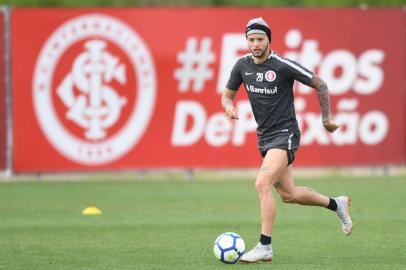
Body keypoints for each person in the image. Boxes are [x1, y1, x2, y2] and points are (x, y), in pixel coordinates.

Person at [221, 17, 353, 263]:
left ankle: (265, 246)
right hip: (266, 137)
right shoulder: (242, 66)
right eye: (251, 39)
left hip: (286, 134)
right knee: (289, 194)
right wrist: (228, 107)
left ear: (269, 39)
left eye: (260, 39)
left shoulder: (281, 65)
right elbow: (227, 95)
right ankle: (336, 204)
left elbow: (320, 84)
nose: (255, 44)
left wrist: (326, 119)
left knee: (262, 183)